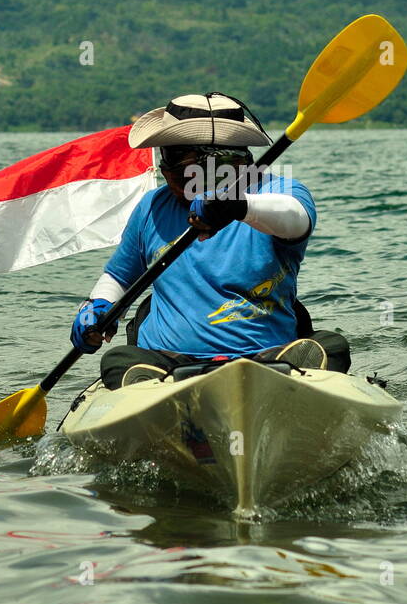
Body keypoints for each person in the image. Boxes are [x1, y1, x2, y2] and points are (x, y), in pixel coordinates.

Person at [69, 92, 350, 388]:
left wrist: (237, 206)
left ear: (215, 159)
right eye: (164, 156)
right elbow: (120, 276)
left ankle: (292, 380)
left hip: (269, 356)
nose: (164, 169)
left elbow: (295, 220)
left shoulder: (281, 192)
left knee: (332, 346)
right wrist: (98, 306)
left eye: (174, 158)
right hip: (167, 361)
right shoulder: (152, 206)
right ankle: (150, 388)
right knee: (117, 361)